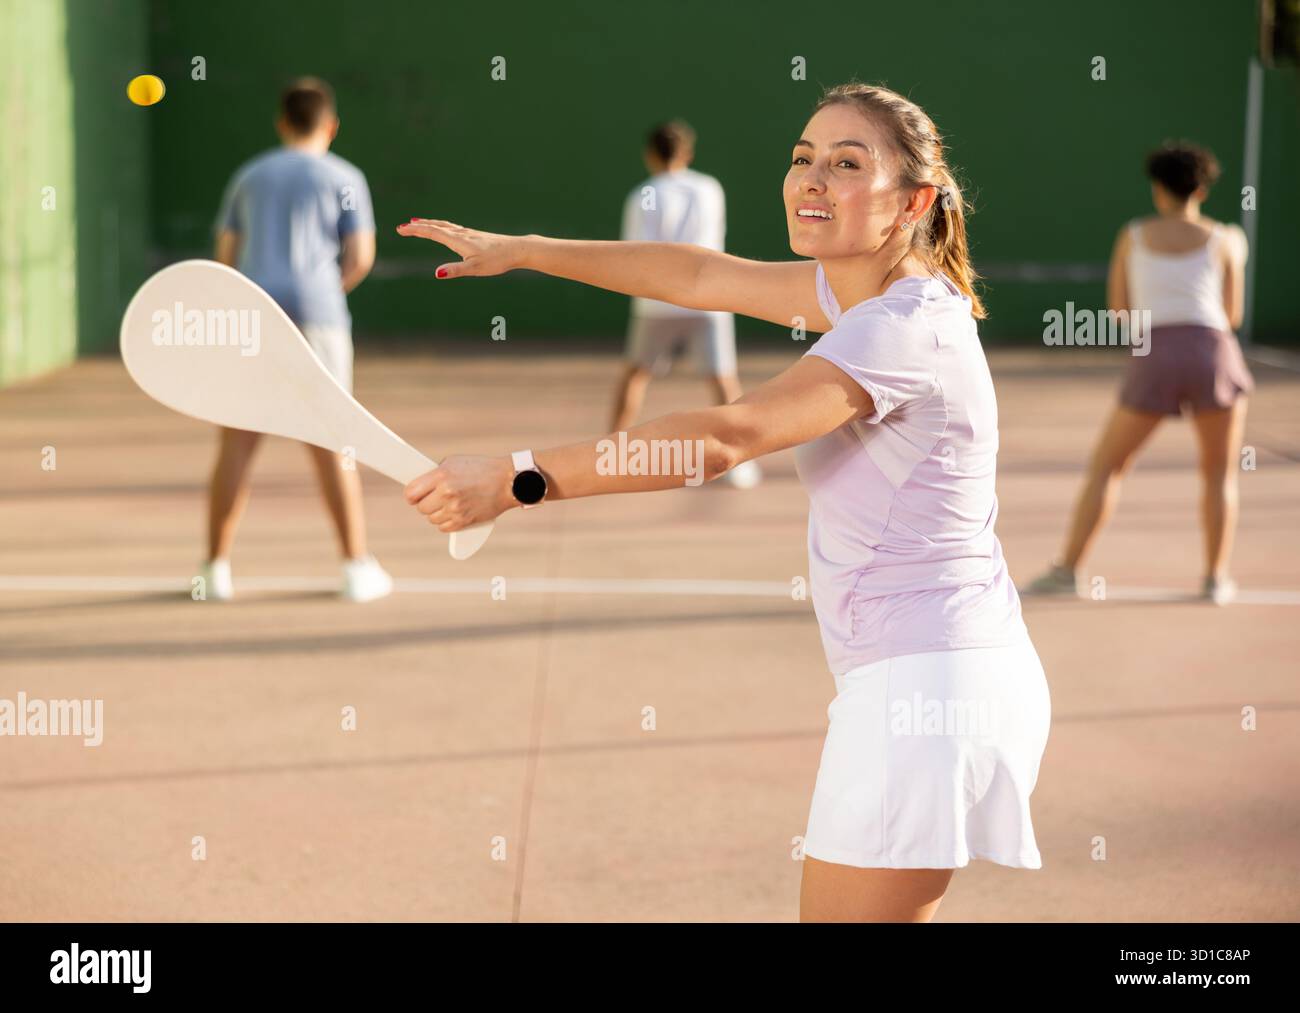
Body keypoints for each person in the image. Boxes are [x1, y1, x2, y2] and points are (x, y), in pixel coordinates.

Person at [396, 82, 1051, 923]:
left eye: (847, 164)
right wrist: (523, 249)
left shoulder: (901, 327)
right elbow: (698, 273)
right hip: (934, 676)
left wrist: (517, 478)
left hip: (926, 690)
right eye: (802, 158)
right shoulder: (865, 292)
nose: (812, 179)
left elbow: (725, 437)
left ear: (913, 201)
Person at [1024, 142, 1253, 605]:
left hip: (1155, 353)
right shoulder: (1225, 240)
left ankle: (1068, 570)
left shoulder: (1132, 235)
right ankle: (1215, 580)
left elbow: (1119, 310)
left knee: (1108, 467)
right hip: (1215, 354)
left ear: (1157, 189)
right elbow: (1231, 315)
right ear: (1202, 189)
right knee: (1219, 474)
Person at [203, 77, 392, 602]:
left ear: (282, 123)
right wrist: (324, 293)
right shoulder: (346, 176)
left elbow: (225, 256)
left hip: (254, 318)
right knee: (334, 442)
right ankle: (356, 569)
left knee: (236, 442)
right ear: (330, 125)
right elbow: (360, 258)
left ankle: (213, 570)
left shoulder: (249, 176)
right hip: (319, 315)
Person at [612, 120, 760, 489]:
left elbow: (634, 254)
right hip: (709, 298)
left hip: (656, 302)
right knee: (723, 379)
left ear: (650, 155)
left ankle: (612, 454)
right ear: (688, 153)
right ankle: (740, 463)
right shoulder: (711, 188)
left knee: (635, 373)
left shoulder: (641, 194)